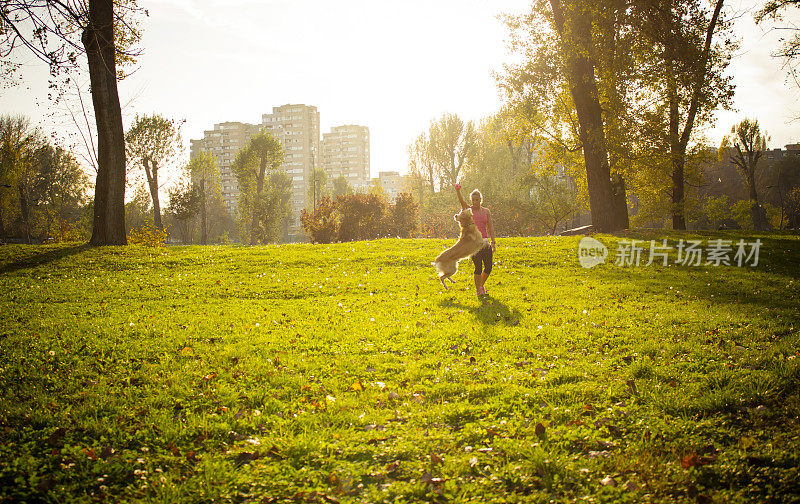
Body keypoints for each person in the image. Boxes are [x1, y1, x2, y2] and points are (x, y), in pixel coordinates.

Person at [455, 183, 496, 296]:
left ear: (480, 200)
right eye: (473, 200)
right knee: (478, 267)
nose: (474, 202)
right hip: (473, 243)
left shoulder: (486, 211)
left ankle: (481, 285)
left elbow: (490, 227)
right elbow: (462, 201)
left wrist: (493, 242)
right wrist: (458, 190)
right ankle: (479, 291)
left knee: (488, 267)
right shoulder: (469, 210)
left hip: (485, 242)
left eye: (477, 200)